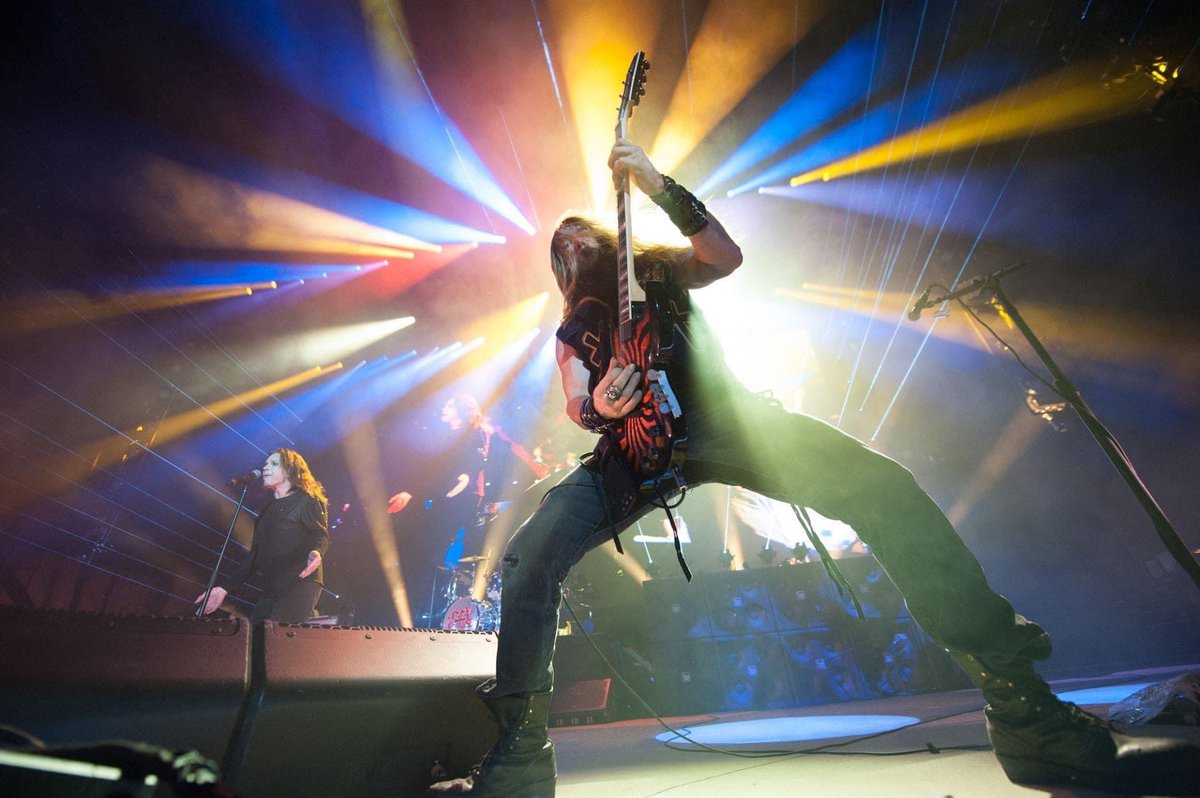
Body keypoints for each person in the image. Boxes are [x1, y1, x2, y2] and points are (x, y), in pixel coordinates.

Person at [427, 140, 1200, 797]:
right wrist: (601, 403)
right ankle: (521, 762)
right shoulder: (571, 330)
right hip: (634, 455)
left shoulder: (656, 267)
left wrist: (659, 185)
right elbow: (576, 401)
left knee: (883, 489)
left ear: (603, 238)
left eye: (579, 238)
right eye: (559, 251)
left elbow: (722, 255)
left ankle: (1024, 710)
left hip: (734, 425)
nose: (571, 249)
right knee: (532, 553)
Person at [195, 448, 329, 624]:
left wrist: (316, 552)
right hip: (271, 587)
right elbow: (255, 557)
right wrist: (224, 588)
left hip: (300, 583)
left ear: (290, 470)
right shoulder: (267, 511)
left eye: (274, 464)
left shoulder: (306, 499)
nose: (265, 468)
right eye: (265, 464)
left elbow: (320, 534)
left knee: (276, 640)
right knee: (257, 638)